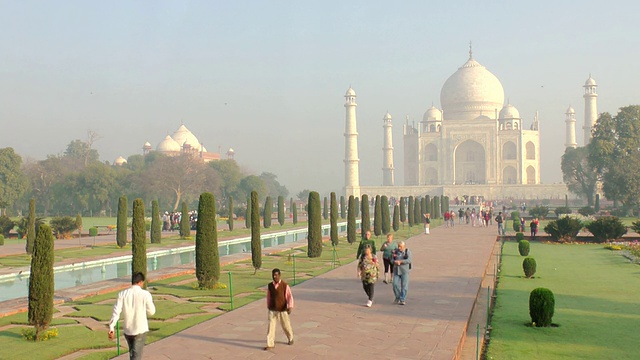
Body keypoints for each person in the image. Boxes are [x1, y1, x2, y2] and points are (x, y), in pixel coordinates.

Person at [108, 272, 156, 360]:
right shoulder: (145, 294)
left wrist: (111, 327)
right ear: (141, 282)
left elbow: (116, 312)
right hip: (140, 330)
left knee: (133, 354)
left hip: (128, 331)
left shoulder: (122, 294)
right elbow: (151, 312)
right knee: (135, 356)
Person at [265, 268, 294, 350]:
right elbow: (268, 296)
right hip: (272, 309)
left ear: (279, 275)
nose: (274, 277)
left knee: (286, 325)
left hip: (282, 309)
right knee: (271, 327)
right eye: (273, 275)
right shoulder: (270, 286)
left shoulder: (285, 285)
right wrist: (268, 305)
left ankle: (290, 338)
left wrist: (290, 306)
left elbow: (289, 296)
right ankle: (270, 344)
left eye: (276, 275)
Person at [392, 241, 412, 305]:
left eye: (400, 247)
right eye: (398, 246)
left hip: (404, 271)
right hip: (396, 270)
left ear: (404, 246)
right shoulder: (395, 252)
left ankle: (402, 299)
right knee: (394, 284)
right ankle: (397, 296)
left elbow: (409, 260)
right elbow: (391, 259)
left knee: (404, 286)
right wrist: (394, 261)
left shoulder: (407, 252)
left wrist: (401, 261)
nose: (399, 248)